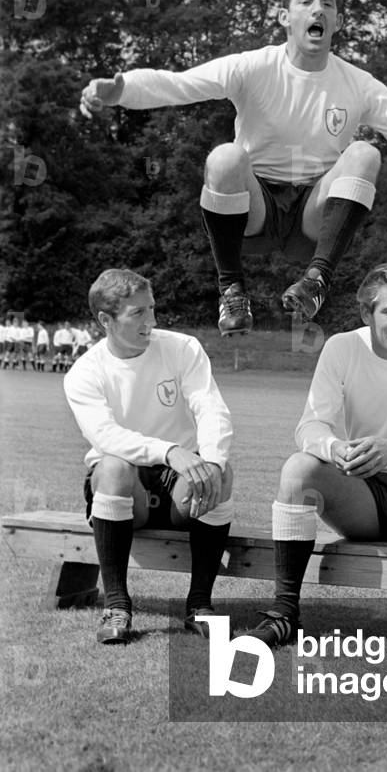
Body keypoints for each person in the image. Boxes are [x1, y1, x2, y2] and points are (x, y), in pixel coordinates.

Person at [79, 0, 387, 336]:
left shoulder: (358, 85)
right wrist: (119, 89)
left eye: (327, 4)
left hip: (314, 218)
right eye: (306, 1)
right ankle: (232, 292)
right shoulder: (251, 67)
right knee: (224, 158)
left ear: (338, 23)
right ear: (284, 16)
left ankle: (316, 282)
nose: (318, 9)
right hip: (254, 213)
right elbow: (177, 85)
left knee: (365, 154)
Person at [242, 263, 387, 649]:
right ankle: (284, 614)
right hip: (361, 498)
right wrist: (337, 449)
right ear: (367, 313)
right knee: (299, 469)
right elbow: (310, 427)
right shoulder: (342, 347)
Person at [63, 268, 234, 645]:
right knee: (112, 466)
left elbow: (210, 407)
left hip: (179, 486)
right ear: (105, 320)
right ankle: (118, 605)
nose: (151, 321)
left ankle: (200, 605)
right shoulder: (84, 372)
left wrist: (214, 462)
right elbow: (105, 435)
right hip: (126, 489)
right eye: (137, 313)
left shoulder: (182, 347)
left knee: (223, 470)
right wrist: (168, 451)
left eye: (152, 309)